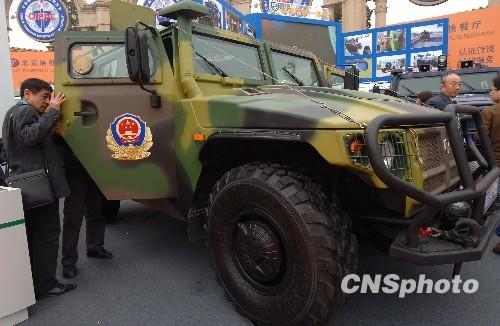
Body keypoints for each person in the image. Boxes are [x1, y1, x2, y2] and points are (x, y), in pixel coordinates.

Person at [1, 78, 76, 299]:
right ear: (27, 94)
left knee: (34, 236)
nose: (47, 101)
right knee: (46, 236)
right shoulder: (25, 112)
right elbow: (30, 137)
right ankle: (46, 284)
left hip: (28, 184)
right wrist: (53, 112)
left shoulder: (13, 112)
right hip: (40, 187)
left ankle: (35, 283)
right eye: (44, 96)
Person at [60, 140, 113, 279]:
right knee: (73, 217)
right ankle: (68, 261)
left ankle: (95, 247)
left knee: (96, 211)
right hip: (74, 170)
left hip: (95, 168)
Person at [480, 76, 500, 255]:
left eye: (493, 89)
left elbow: (481, 138)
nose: (491, 92)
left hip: (496, 163)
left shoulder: (490, 112)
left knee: (489, 200)